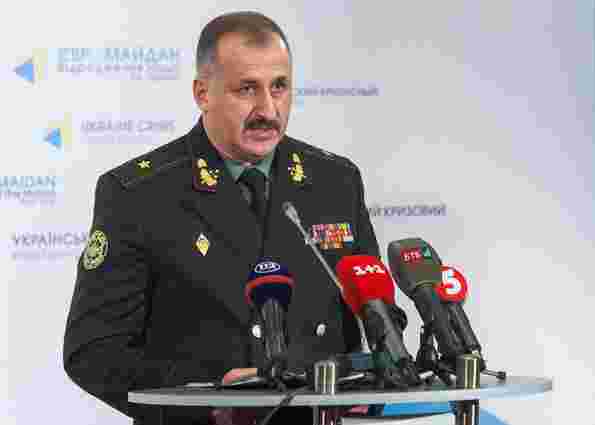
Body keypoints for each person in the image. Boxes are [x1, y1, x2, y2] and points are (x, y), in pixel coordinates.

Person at [63, 11, 380, 425]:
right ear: (202, 93)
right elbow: (93, 351)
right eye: (247, 89)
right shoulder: (139, 194)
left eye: (279, 87)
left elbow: (375, 320)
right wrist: (209, 396)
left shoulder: (335, 182)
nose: (268, 109)